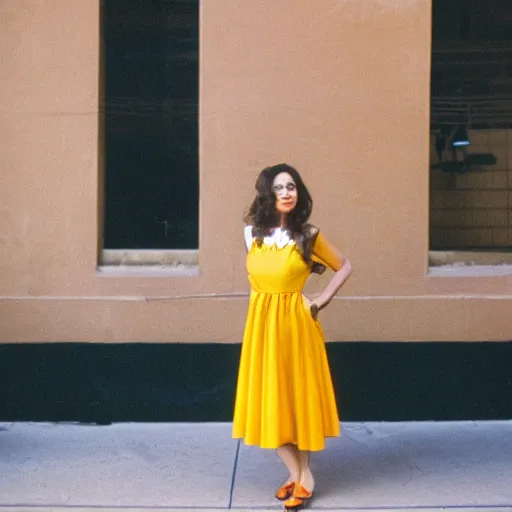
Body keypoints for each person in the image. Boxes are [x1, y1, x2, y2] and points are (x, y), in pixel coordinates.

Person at [232, 163, 353, 510]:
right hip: (263, 329)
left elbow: (344, 265)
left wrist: (320, 301)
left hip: (297, 326)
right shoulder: (250, 234)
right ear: (267, 194)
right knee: (271, 401)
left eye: (292, 187)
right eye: (279, 188)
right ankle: (298, 474)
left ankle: (303, 479)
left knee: (295, 401)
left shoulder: (309, 235)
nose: (286, 193)